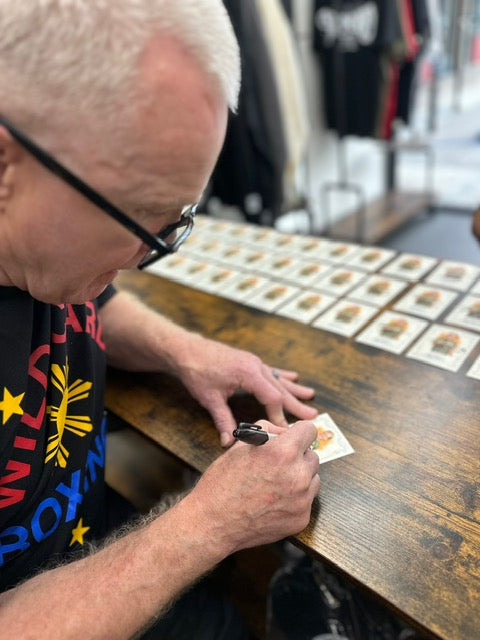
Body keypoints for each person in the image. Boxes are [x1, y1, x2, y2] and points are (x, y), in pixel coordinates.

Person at [0, 1, 321, 638]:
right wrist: (209, 525)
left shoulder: (41, 256)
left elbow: (89, 300)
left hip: (99, 542)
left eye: (175, 222)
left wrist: (184, 351)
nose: (145, 257)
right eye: (141, 218)